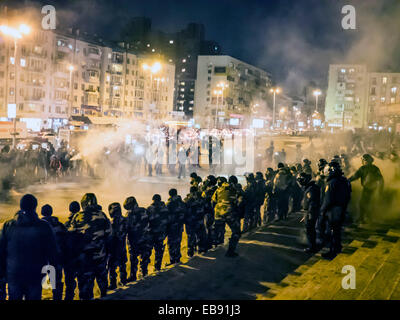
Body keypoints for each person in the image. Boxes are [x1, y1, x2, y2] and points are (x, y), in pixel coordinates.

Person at [0, 194, 58, 300]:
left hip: (14, 274)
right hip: (35, 274)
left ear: (20, 206)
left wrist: (2, 277)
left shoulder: (8, 226)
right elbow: (52, 255)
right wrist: (55, 283)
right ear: (35, 206)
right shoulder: (44, 226)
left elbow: (1, 253)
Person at [68, 193, 112, 300]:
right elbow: (109, 235)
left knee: (85, 289)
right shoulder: (103, 215)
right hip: (101, 256)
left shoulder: (78, 217)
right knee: (103, 284)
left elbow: (71, 236)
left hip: (85, 260)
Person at [320, 161, 352, 259]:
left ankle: (332, 251)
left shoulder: (332, 182)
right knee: (337, 229)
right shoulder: (344, 180)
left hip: (333, 210)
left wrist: (322, 211)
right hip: (341, 208)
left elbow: (328, 199)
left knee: (332, 230)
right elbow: (348, 195)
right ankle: (337, 247)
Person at [41, 204, 68, 300]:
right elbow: (66, 242)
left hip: (41, 260)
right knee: (56, 283)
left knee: (37, 284)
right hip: (57, 259)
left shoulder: (38, 225)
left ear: (42, 213)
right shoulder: (60, 225)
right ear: (51, 212)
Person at [349, 154, 384, 224]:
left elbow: (380, 180)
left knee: (364, 203)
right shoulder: (371, 168)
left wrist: (380, 190)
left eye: (364, 160)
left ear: (368, 160)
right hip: (369, 189)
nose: (362, 161)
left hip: (372, 189)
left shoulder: (368, 169)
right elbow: (355, 176)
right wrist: (347, 180)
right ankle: (365, 218)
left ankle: (365, 218)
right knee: (364, 203)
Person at [211, 178, 241, 257]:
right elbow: (239, 202)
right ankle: (230, 251)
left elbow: (213, 201)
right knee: (236, 232)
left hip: (218, 212)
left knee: (216, 229)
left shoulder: (219, 189)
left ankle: (213, 248)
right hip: (229, 213)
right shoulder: (235, 189)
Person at [124, 197, 151, 282]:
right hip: (145, 239)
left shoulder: (129, 214)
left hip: (134, 241)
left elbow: (126, 228)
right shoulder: (144, 210)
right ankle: (144, 273)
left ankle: (133, 276)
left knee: (133, 259)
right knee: (144, 257)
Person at [297, 173, 320, 253]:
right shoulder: (311, 187)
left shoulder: (310, 189)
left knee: (310, 229)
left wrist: (309, 213)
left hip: (311, 212)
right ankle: (312, 245)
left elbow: (312, 202)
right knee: (311, 229)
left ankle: (312, 247)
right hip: (311, 211)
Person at [107, 202, 128, 289]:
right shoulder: (125, 220)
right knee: (122, 264)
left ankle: (113, 284)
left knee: (112, 267)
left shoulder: (111, 222)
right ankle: (123, 281)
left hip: (113, 248)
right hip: (122, 246)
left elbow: (109, 236)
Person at [64, 201, 81, 300]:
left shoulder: (66, 224)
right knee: (82, 280)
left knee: (69, 281)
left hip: (69, 257)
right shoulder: (83, 221)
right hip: (81, 255)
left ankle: (69, 296)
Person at [147, 194, 169, 271]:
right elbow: (167, 220)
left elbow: (147, 221)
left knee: (148, 252)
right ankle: (157, 267)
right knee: (159, 251)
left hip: (152, 233)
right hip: (161, 233)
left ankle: (144, 270)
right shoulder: (165, 208)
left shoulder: (150, 209)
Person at [184, 186, 207, 257]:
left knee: (191, 237)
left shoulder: (187, 200)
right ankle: (201, 249)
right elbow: (205, 208)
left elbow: (184, 211)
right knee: (200, 235)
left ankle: (190, 252)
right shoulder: (201, 199)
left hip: (190, 221)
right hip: (199, 220)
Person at [166, 189, 186, 264]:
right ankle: (177, 259)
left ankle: (172, 260)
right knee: (178, 242)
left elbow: (166, 215)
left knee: (171, 244)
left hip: (172, 227)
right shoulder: (182, 203)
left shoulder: (169, 203)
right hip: (179, 226)